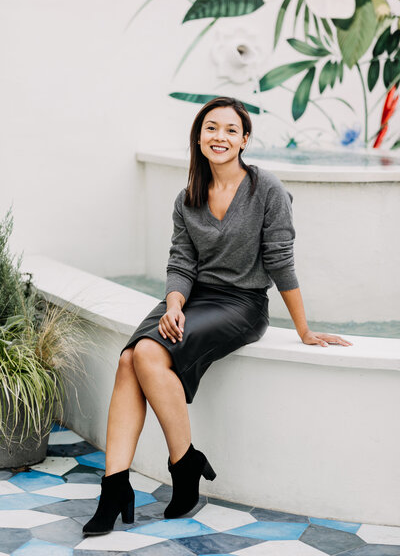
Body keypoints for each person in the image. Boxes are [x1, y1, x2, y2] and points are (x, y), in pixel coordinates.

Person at [82, 96, 353, 536]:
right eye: (211, 128)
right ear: (199, 136)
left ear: (245, 139)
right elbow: (181, 263)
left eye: (230, 130)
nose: (220, 137)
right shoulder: (187, 196)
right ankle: (116, 487)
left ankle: (182, 465)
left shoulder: (267, 190)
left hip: (241, 304)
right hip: (191, 298)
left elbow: (281, 261)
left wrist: (303, 329)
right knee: (129, 359)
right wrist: (173, 304)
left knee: (147, 354)